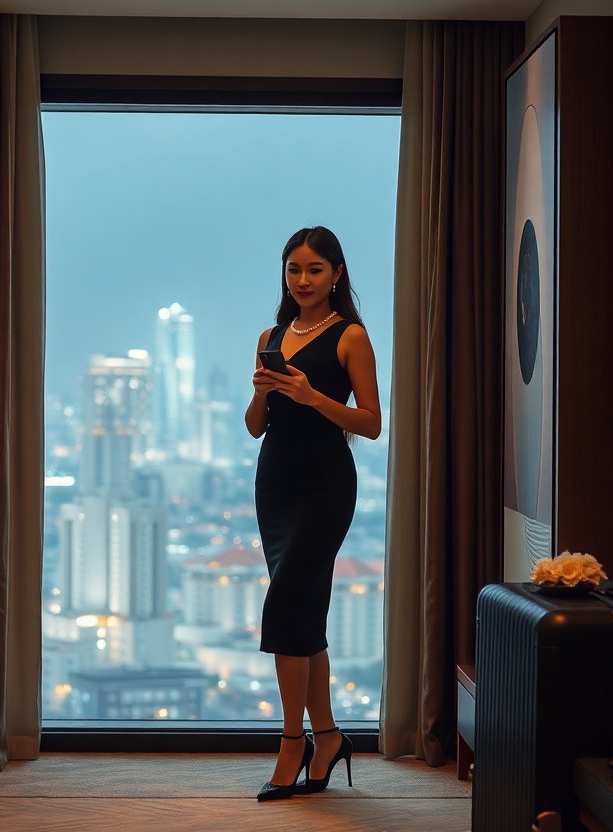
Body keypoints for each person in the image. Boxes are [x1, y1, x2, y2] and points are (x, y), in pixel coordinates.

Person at [245, 226, 382, 801]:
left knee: (286, 613)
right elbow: (257, 427)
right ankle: (326, 737)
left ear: (337, 274)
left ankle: (292, 741)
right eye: (294, 269)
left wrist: (311, 397)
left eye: (315, 270)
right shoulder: (270, 335)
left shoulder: (350, 336)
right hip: (275, 483)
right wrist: (261, 392)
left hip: (325, 485)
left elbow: (371, 423)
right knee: (303, 612)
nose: (303, 280)